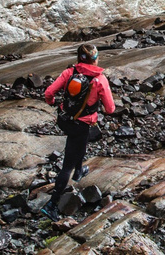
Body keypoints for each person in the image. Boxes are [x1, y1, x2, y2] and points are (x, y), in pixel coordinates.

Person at [40, 44, 115, 222]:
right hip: (81, 125)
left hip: (64, 120)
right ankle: (52, 205)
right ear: (96, 58)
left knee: (78, 146)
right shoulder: (100, 80)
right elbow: (110, 109)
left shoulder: (69, 72)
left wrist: (52, 102)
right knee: (68, 164)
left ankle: (80, 170)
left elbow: (49, 92)